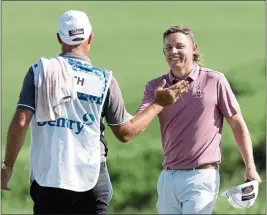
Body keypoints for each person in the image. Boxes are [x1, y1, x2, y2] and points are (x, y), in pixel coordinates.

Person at [1, 11, 189, 214]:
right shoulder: (103, 80)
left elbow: (21, 122)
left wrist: (8, 166)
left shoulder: (40, 71)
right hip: (91, 180)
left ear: (59, 38)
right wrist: (158, 104)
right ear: (90, 37)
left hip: (49, 179)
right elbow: (125, 132)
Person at [137, 25, 262, 214]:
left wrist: (250, 168)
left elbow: (237, 124)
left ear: (193, 48)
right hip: (167, 177)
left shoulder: (215, 80)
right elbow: (138, 122)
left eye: (180, 46)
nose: (174, 51)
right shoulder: (155, 86)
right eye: (168, 48)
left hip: (201, 176)